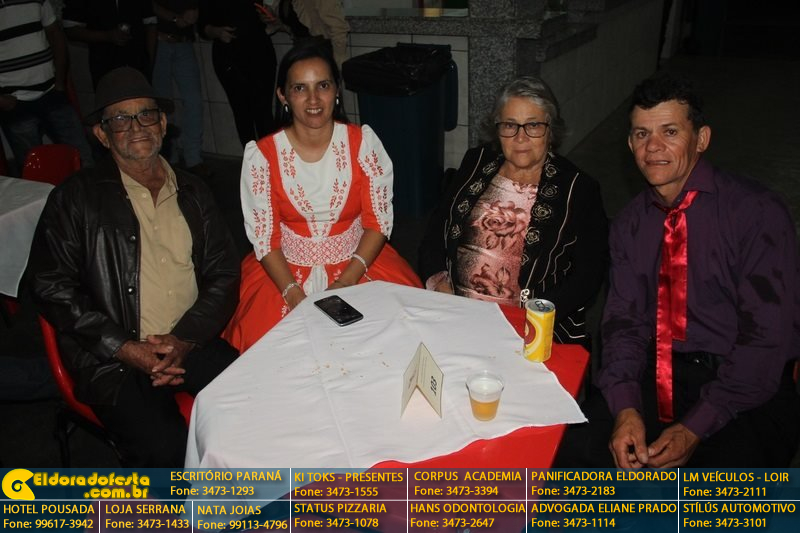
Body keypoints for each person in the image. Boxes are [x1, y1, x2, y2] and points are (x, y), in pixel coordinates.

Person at [557, 74, 800, 468]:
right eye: (641, 134)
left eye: (670, 132)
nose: (653, 146)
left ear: (701, 139)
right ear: (630, 144)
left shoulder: (757, 213)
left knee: (705, 497)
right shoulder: (630, 223)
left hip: (746, 386)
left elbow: (765, 341)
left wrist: (695, 427)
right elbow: (623, 324)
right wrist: (626, 408)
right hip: (657, 371)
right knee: (572, 459)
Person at [27, 67, 240, 467]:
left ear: (163, 124)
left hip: (191, 340)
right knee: (167, 450)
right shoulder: (75, 198)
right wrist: (125, 348)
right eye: (121, 119)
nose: (137, 126)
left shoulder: (193, 191)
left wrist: (183, 340)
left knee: (257, 402)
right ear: (102, 134)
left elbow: (223, 273)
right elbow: (49, 286)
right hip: (113, 359)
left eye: (146, 114)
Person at [222, 40, 421, 353]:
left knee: (384, 348)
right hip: (284, 275)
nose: (313, 99)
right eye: (300, 88)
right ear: (283, 95)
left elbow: (377, 223)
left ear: (336, 91)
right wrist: (293, 293)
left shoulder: (363, 144)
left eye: (323, 86)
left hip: (359, 265)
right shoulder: (262, 156)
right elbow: (265, 238)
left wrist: (345, 283)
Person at [418, 76, 609, 349]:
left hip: (532, 328)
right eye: (510, 125)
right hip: (457, 312)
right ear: (497, 129)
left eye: (533, 125)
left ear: (550, 130)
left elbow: (588, 275)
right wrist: (440, 284)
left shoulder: (578, 189)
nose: (520, 137)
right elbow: (436, 232)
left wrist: (531, 318)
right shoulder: (476, 162)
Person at [0, 0, 93, 172]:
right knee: (34, 170)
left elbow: (55, 35)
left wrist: (60, 82)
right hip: (15, 102)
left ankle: (89, 190)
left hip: (52, 92)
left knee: (82, 157)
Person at [198, 0, 278, 147]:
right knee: (242, 113)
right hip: (229, 56)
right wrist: (217, 32)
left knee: (264, 112)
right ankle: (252, 160)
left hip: (260, 52)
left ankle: (270, 159)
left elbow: (265, 12)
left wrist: (266, 15)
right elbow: (201, 26)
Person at [151, 0, 211, 178]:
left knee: (194, 101)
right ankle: (170, 157)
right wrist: (175, 18)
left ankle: (193, 158)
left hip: (184, 41)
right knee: (164, 104)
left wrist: (194, 13)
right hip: (159, 40)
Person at [62, 0, 157, 88]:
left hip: (138, 65)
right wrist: (106, 36)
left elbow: (150, 24)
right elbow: (70, 29)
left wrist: (149, 66)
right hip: (104, 67)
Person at [275, 0, 349, 68]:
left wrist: (338, 61)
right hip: (300, 51)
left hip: (321, 52)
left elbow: (338, 28)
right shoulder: (285, 2)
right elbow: (292, 24)